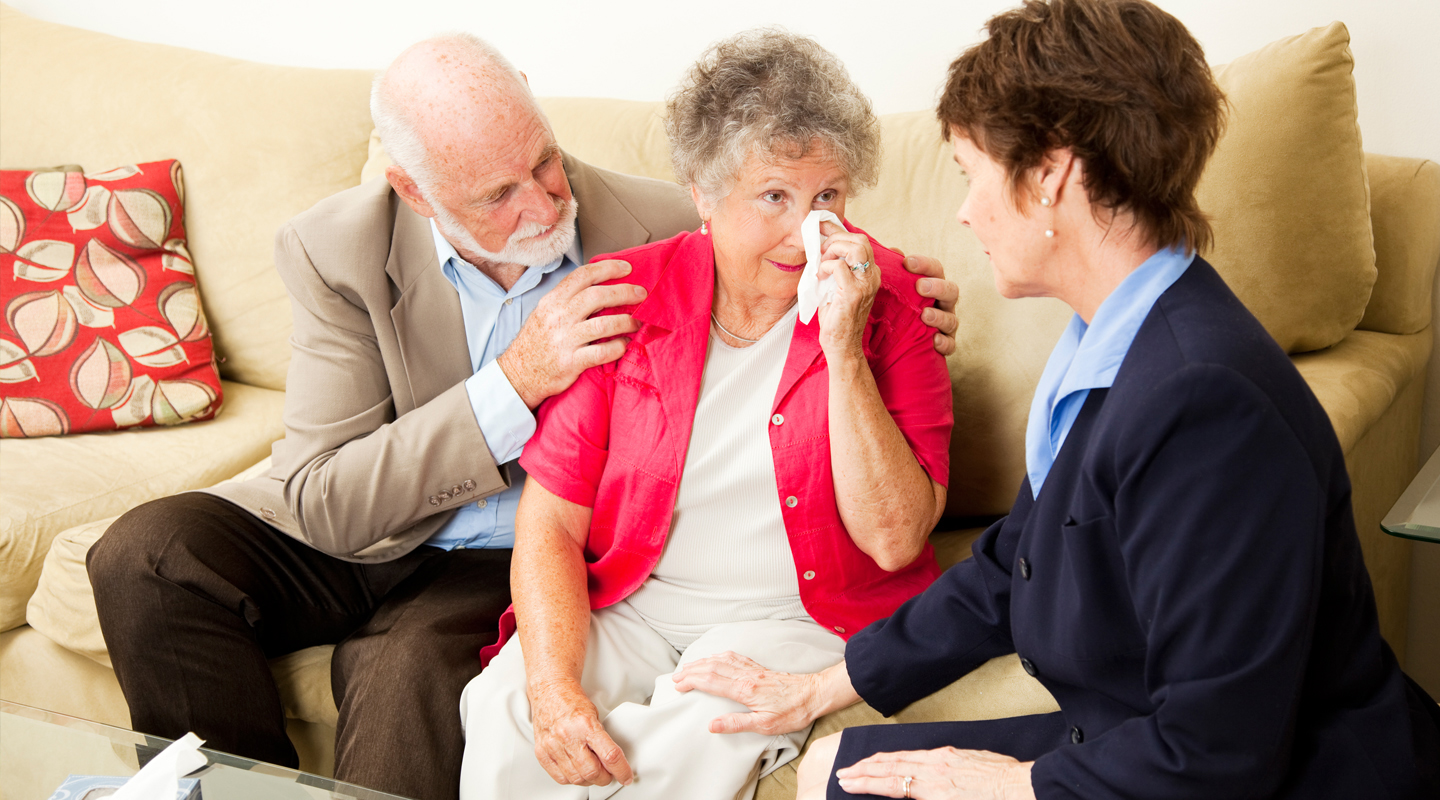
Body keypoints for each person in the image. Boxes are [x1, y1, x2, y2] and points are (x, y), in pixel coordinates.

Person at [84, 32, 963, 800]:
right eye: (496, 196)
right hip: (382, 518)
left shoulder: (660, 229)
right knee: (143, 556)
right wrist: (516, 380)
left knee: (408, 673)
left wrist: (888, 317)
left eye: (544, 164)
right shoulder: (335, 247)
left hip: (515, 557)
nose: (542, 207)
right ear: (416, 191)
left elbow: (789, 239)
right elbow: (325, 500)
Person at [670, 2, 1440, 799]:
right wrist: (820, 689)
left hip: (1264, 775)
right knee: (837, 771)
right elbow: (1017, 563)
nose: (965, 210)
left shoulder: (1206, 404)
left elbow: (1219, 752)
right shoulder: (1109, 342)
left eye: (972, 173)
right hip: (1134, 733)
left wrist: (1014, 784)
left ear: (1049, 176)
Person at [456, 30, 954, 800]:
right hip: (638, 607)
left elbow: (894, 542)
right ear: (703, 194)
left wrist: (845, 346)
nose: (808, 233)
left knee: (690, 737)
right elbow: (551, 522)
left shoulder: (886, 299)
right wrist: (552, 688)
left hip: (799, 618)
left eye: (827, 197)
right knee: (506, 708)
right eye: (775, 197)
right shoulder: (621, 297)